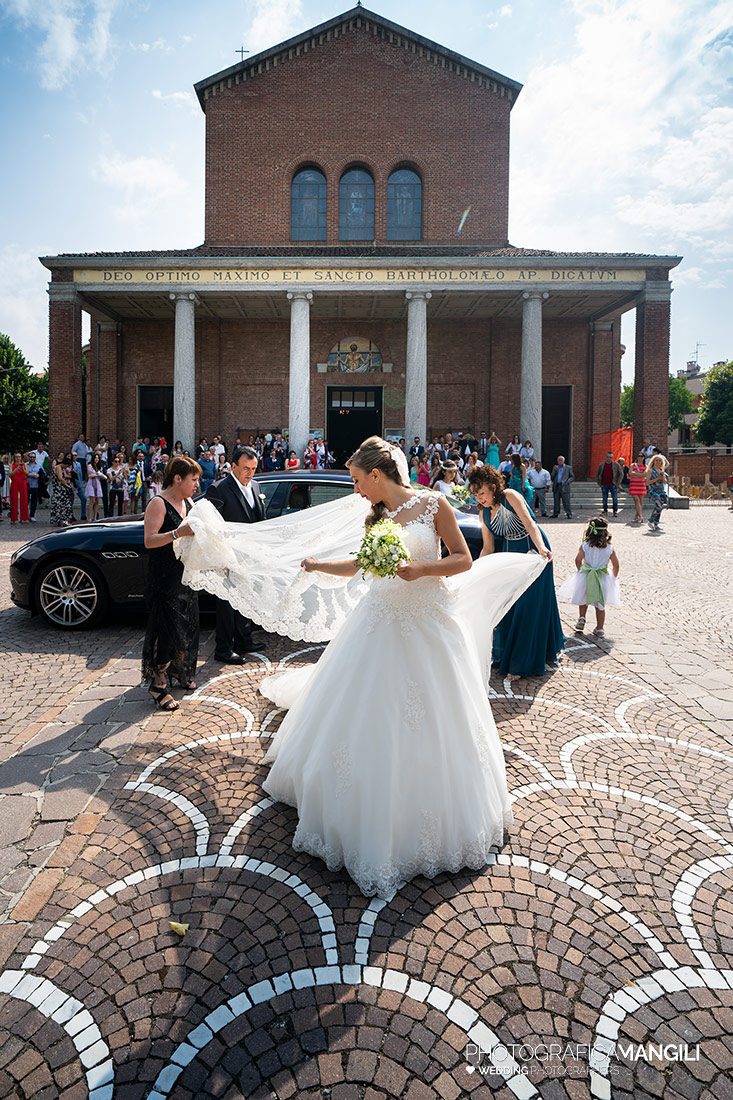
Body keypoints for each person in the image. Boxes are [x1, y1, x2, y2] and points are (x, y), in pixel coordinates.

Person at [469, 464, 564, 679]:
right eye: (475, 494)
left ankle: (522, 663)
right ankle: (509, 655)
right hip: (510, 559)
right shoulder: (483, 514)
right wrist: (474, 570)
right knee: (510, 606)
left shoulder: (510, 496)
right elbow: (488, 547)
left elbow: (530, 524)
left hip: (533, 552)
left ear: (493, 487)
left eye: (482, 492)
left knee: (528, 606)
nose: (480, 498)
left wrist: (541, 548)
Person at [141, 456, 200, 710]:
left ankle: (178, 671)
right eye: (194, 479)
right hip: (164, 579)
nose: (197, 484)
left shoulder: (188, 501)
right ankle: (158, 685)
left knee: (185, 628)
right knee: (165, 632)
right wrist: (177, 533)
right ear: (178, 479)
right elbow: (149, 540)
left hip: (184, 576)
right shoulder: (158, 503)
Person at [206, 446, 267, 662]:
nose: (250, 473)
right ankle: (223, 648)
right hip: (227, 556)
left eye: (253, 468)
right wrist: (220, 557)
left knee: (245, 599)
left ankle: (244, 640)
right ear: (233, 467)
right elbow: (212, 527)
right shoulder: (218, 489)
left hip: (249, 557)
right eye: (245, 468)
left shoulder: (256, 486)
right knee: (226, 603)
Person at [558, 516, 621, 639]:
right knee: (600, 603)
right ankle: (600, 628)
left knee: (583, 598)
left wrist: (581, 570)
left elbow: (577, 560)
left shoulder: (585, 546)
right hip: (602, 577)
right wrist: (613, 578)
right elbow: (616, 565)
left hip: (586, 575)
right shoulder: (610, 548)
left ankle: (582, 618)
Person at [646, 453, 669, 532]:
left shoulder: (662, 471)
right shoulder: (650, 471)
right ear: (653, 461)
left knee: (659, 508)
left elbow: (665, 482)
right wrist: (657, 479)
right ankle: (650, 520)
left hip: (661, 491)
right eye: (656, 460)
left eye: (660, 460)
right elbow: (647, 482)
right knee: (658, 506)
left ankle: (656, 523)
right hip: (653, 491)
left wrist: (662, 477)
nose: (658, 462)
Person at [596, 451, 623, 517]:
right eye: (607, 457)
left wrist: (618, 482)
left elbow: (621, 474)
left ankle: (615, 511)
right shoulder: (601, 465)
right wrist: (599, 483)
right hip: (604, 484)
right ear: (605, 457)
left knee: (615, 498)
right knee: (604, 498)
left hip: (613, 484)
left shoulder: (616, 465)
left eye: (610, 457)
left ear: (612, 458)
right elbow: (597, 474)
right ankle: (605, 510)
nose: (609, 458)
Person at [50, 453, 74, 527]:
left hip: (58, 488)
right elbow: (60, 478)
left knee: (60, 505)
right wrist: (67, 485)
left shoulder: (60, 468)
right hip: (59, 489)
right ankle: (62, 520)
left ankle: (59, 520)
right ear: (65, 464)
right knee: (63, 504)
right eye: (67, 465)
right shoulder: (59, 467)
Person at [85, 453, 106, 522]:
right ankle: (89, 517)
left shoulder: (98, 466)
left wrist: (101, 475)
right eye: (95, 458)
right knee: (92, 501)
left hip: (97, 483)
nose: (97, 459)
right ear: (93, 458)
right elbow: (89, 476)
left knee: (97, 501)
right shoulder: (90, 465)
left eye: (98, 458)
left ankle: (95, 517)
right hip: (91, 483)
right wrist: (97, 474)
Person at [9, 454, 29, 524]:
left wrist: (22, 469)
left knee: (24, 499)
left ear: (21, 458)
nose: (18, 458)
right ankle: (14, 519)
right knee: (14, 499)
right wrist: (17, 469)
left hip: (23, 482)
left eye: (19, 457)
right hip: (14, 482)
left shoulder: (24, 465)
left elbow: (27, 474)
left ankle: (24, 518)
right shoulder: (12, 465)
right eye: (16, 457)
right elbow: (10, 474)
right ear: (14, 458)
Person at [628, 453, 647, 524]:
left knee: (640, 501)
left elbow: (645, 474)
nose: (640, 457)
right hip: (634, 484)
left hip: (641, 484)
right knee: (636, 500)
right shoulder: (632, 465)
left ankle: (636, 517)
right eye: (639, 456)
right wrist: (640, 475)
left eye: (641, 456)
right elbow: (630, 473)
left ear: (643, 458)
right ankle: (641, 516)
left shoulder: (646, 466)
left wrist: (635, 474)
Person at [25, 451, 43, 522]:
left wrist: (39, 475)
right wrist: (31, 475)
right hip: (27, 485)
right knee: (25, 501)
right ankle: (25, 515)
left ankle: (32, 515)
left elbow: (43, 474)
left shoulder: (39, 465)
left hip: (36, 485)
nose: (32, 458)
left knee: (34, 501)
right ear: (29, 457)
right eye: (31, 457)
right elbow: (23, 473)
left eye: (34, 457)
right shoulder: (25, 465)